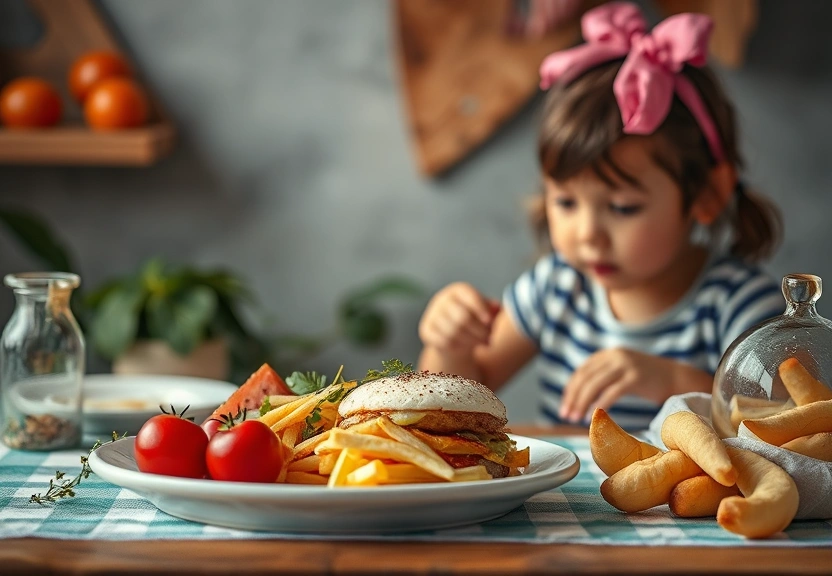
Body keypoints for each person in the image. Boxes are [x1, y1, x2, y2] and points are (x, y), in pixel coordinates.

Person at [417, 2, 784, 430]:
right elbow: (460, 401)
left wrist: (671, 381)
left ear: (707, 193)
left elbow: (783, 425)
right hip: (563, 498)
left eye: (622, 207)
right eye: (566, 203)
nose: (588, 235)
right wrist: (448, 345)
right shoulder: (555, 288)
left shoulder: (742, 307)